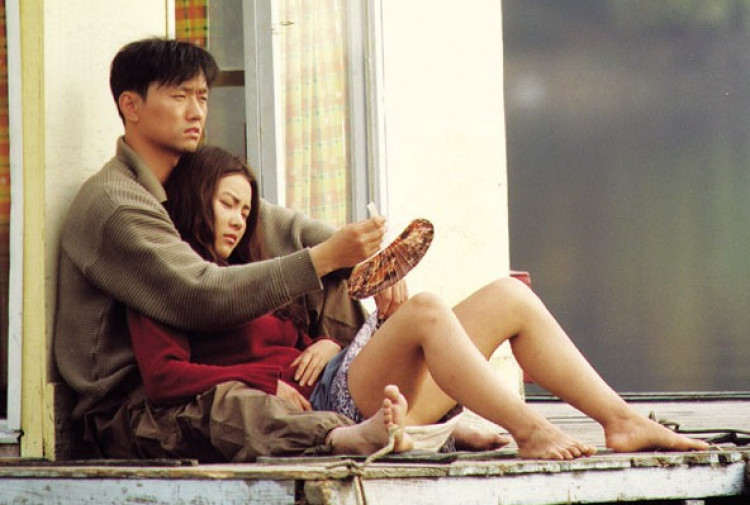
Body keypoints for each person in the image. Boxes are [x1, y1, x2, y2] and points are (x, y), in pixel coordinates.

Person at [134, 145, 709, 460]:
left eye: (245, 209)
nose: (238, 219)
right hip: (329, 406)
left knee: (510, 294)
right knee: (427, 310)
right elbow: (163, 377)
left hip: (344, 375)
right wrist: (267, 380)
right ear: (196, 200)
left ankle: (621, 420)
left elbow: (292, 343)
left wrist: (326, 342)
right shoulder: (171, 283)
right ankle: (528, 428)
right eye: (226, 204)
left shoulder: (249, 274)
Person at [52, 37, 413, 462]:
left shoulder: (186, 181)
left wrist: (370, 262)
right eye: (180, 96)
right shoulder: (116, 203)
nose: (196, 112)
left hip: (207, 375)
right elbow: (199, 292)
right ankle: (346, 429)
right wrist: (326, 256)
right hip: (134, 404)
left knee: (332, 276)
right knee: (235, 402)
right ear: (131, 106)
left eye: (202, 97)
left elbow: (286, 228)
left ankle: (369, 383)